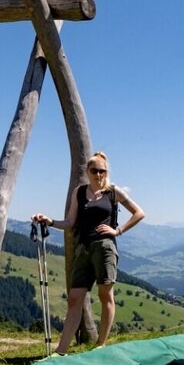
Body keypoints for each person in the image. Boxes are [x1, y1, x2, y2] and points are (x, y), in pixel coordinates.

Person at [32, 151, 144, 353]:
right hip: (83, 248)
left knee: (105, 295)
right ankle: (61, 351)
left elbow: (139, 213)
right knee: (75, 298)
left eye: (102, 171)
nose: (99, 174)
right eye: (95, 170)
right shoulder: (80, 192)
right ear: (88, 171)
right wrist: (49, 221)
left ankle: (100, 344)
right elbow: (70, 222)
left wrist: (117, 231)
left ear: (106, 171)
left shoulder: (113, 192)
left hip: (105, 247)